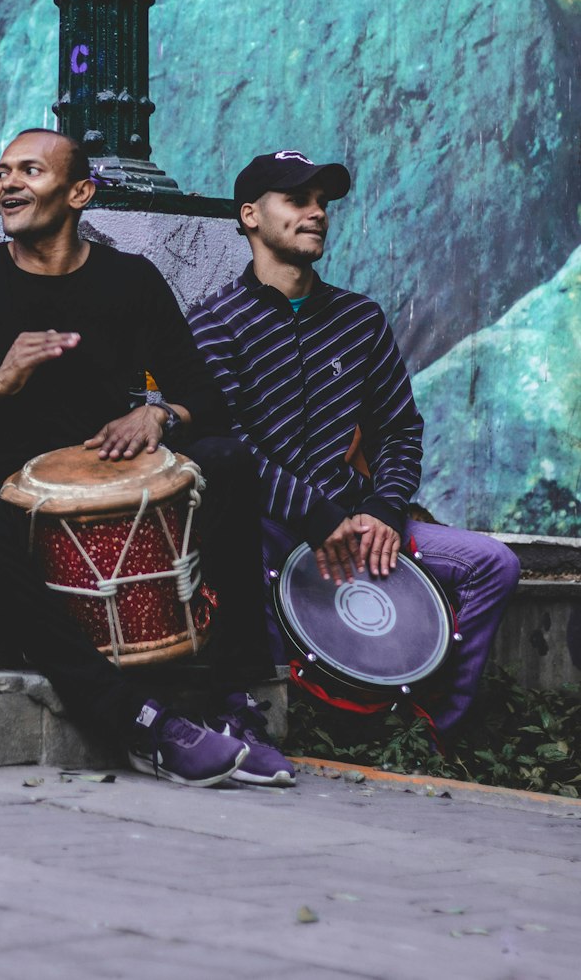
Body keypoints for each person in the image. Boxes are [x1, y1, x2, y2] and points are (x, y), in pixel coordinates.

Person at [0, 128, 297, 788]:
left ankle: (233, 695)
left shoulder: (130, 280)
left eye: (30, 172)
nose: (9, 183)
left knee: (229, 460)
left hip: (111, 488)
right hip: (9, 497)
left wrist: (158, 414)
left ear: (78, 193)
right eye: (3, 172)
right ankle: (137, 720)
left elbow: (205, 399)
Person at [187, 150, 520, 744]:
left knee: (493, 564)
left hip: (362, 522)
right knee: (235, 531)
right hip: (273, 527)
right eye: (297, 200)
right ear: (250, 217)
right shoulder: (213, 324)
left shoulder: (359, 318)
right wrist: (315, 516)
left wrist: (384, 510)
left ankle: (437, 726)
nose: (317, 213)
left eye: (323, 203)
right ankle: (273, 715)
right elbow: (230, 445)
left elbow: (399, 430)